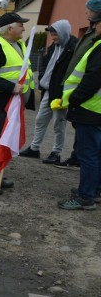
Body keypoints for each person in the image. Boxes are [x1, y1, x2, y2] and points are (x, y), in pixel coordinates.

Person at [0, 12, 35, 195]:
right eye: (20, 25)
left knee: (6, 138)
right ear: (10, 28)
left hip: (13, 102)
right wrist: (11, 87)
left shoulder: (18, 45)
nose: (23, 28)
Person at [57, 11, 101, 211]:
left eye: (95, 23)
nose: (93, 27)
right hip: (96, 110)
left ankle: (85, 197)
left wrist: (74, 98)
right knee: (97, 153)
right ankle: (94, 190)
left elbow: (92, 79)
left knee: (88, 154)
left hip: (91, 109)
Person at [53, 0, 101, 170]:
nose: (86, 13)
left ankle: (87, 194)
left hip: (90, 104)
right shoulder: (90, 34)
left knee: (90, 151)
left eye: (89, 10)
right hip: (87, 102)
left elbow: (93, 75)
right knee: (88, 146)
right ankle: (89, 186)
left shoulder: (97, 41)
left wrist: (74, 98)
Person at [18, 20, 77, 164]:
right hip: (49, 90)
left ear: (63, 32)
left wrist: (66, 93)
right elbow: (45, 62)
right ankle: (34, 148)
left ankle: (56, 153)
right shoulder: (54, 46)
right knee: (40, 120)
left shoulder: (73, 48)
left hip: (62, 93)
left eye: (55, 34)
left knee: (59, 123)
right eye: (51, 34)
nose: (53, 37)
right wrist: (43, 75)